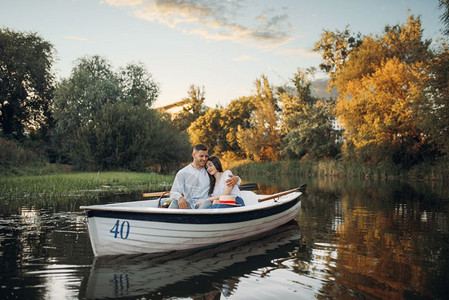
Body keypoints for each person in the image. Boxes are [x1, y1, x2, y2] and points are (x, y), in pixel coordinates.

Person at [169, 144, 240, 209]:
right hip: (189, 205)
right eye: (201, 156)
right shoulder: (183, 172)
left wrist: (237, 179)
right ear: (193, 155)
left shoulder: (209, 171)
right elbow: (173, 192)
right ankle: (167, 220)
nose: (204, 159)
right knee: (175, 202)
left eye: (206, 156)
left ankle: (199, 220)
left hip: (205, 204)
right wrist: (180, 198)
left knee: (205, 204)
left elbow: (222, 176)